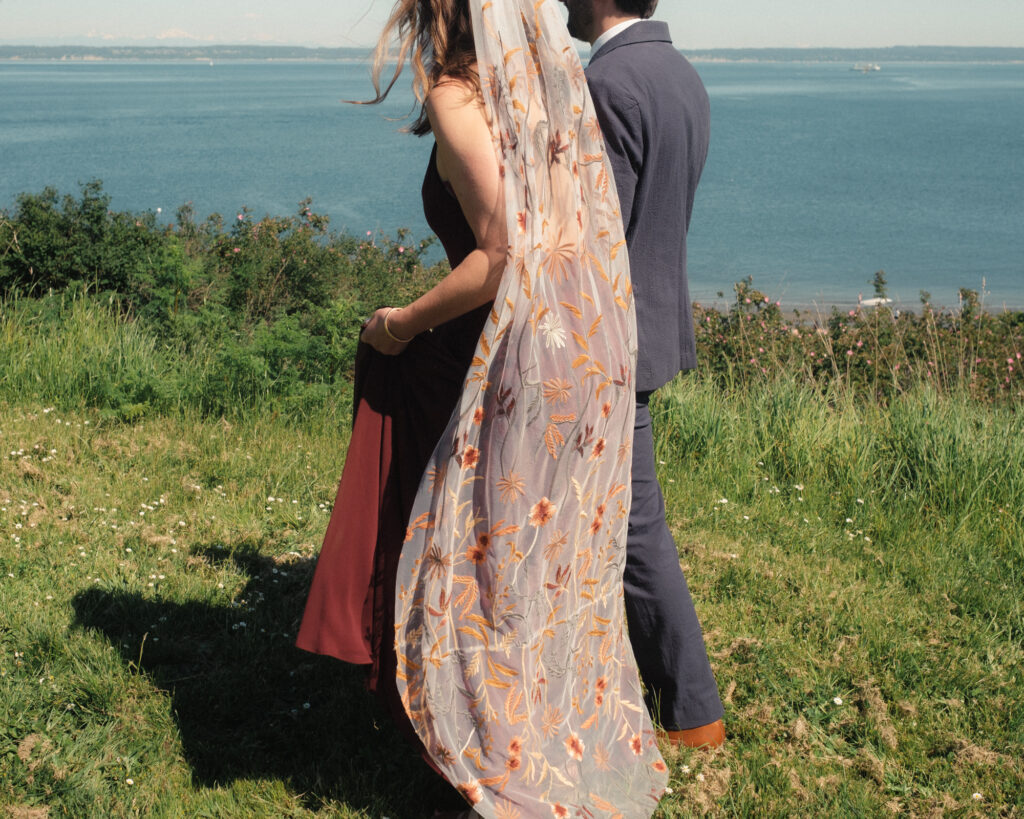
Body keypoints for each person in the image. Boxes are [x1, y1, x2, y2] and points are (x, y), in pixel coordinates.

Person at [298, 0, 670, 815]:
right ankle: (537, 730)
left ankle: (490, 747)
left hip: (504, 357)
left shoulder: (457, 95)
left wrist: (401, 323)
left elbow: (503, 253)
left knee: (476, 561)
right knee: (533, 561)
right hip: (575, 354)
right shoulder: (547, 86)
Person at [560, 0, 727, 748]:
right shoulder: (680, 74)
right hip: (651, 325)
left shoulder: (607, 85)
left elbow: (590, 239)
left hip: (605, 340)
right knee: (611, 516)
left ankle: (693, 710)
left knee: (632, 525)